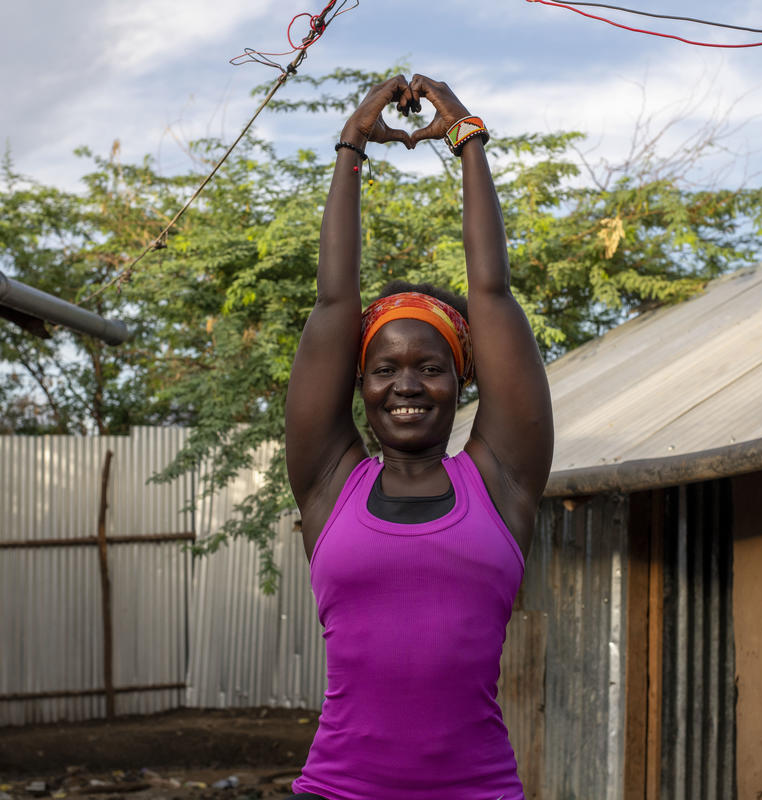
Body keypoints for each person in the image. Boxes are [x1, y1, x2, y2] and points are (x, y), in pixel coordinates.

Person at [283, 73, 554, 800]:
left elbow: (490, 291)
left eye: (430, 366)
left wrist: (468, 139)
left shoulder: (501, 481)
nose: (405, 384)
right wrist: (351, 148)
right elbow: (335, 301)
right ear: (359, 384)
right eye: (384, 368)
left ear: (462, 380)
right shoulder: (328, 482)